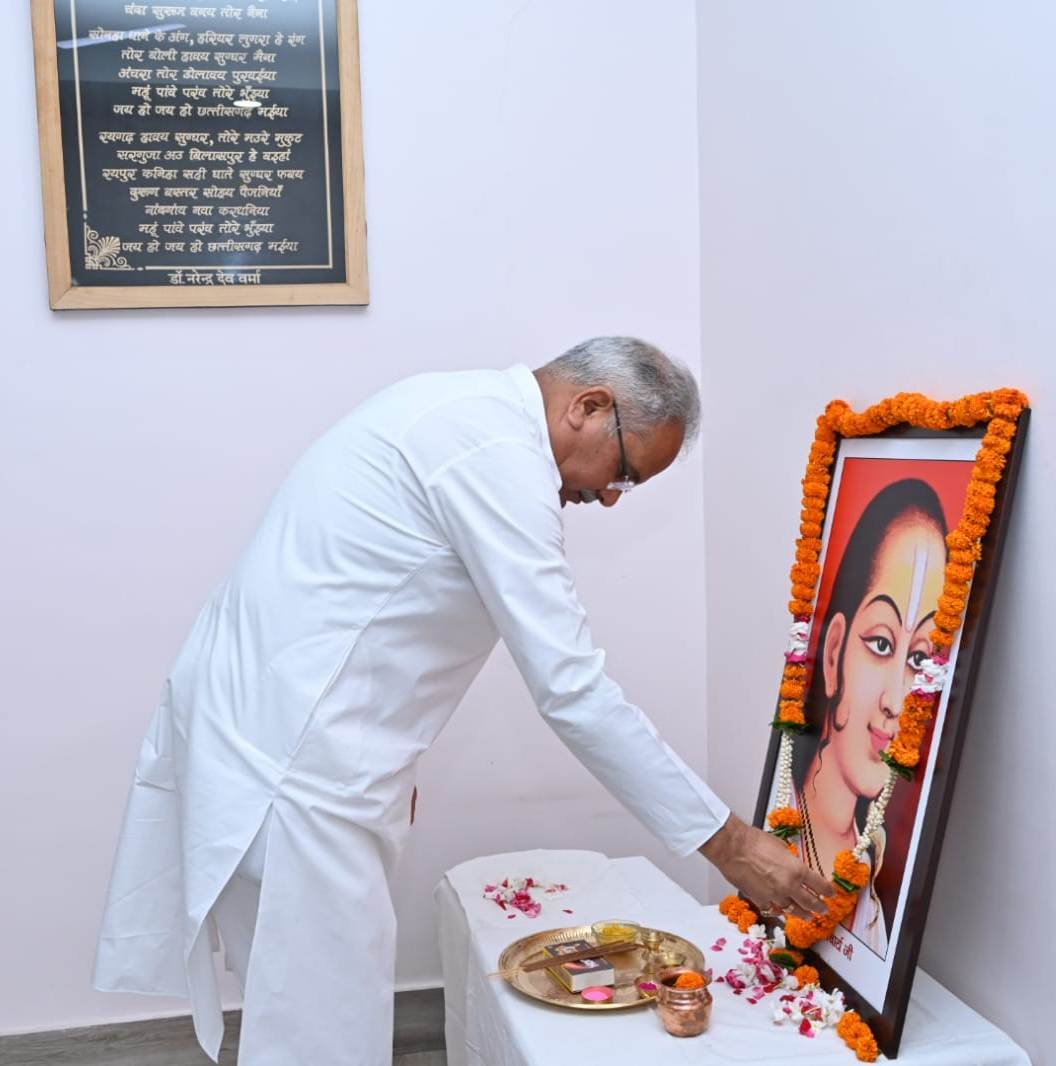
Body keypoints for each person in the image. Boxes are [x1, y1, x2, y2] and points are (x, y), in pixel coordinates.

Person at [94, 337, 831, 1065]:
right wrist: (732, 845)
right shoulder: (497, 457)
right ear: (588, 406)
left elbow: (366, 599)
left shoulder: (459, 408)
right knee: (321, 1029)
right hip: (291, 764)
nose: (610, 496)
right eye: (626, 472)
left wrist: (392, 760)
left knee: (307, 1008)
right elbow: (572, 690)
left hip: (276, 734)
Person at [792, 478, 949, 956]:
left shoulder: (870, 876)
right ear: (834, 653)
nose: (896, 701)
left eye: (918, 658)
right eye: (881, 644)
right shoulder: (782, 831)